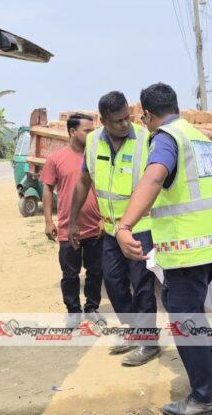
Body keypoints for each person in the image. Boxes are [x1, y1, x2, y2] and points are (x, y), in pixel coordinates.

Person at [115, 83, 212, 415]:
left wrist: (124, 225)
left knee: (184, 317)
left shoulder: (166, 138)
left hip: (188, 248)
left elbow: (155, 178)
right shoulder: (199, 138)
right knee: (182, 305)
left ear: (147, 115)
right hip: (211, 244)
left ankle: (204, 397)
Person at [68, 92, 161, 366]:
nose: (124, 124)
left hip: (140, 227)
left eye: (127, 118)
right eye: (117, 121)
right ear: (104, 121)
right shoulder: (93, 141)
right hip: (110, 230)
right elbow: (84, 181)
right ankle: (134, 330)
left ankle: (149, 342)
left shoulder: (146, 139)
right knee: (113, 283)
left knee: (142, 285)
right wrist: (72, 221)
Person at [41, 113, 105, 329]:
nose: (92, 134)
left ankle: (92, 308)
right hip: (68, 229)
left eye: (93, 130)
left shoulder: (98, 157)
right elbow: (47, 188)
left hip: (95, 227)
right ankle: (73, 312)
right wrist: (48, 221)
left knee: (96, 272)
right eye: (87, 131)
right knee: (70, 274)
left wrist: (104, 218)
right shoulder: (56, 159)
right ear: (72, 132)